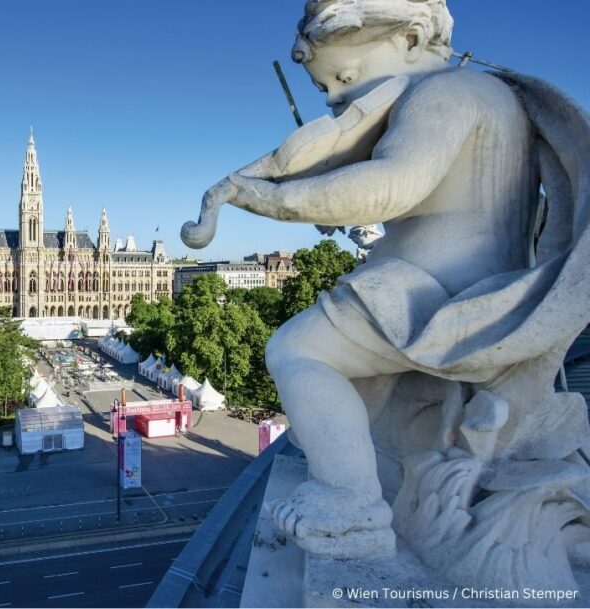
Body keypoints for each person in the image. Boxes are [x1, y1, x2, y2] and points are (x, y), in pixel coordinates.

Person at [190, 0, 590, 558]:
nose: (334, 98)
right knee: (352, 400)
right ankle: (379, 465)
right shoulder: (498, 99)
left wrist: (271, 196)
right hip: (488, 292)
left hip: (427, 290)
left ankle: (349, 503)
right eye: (324, 85)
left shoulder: (440, 94)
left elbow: (394, 184)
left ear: (408, 41)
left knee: (299, 351)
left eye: (342, 76)